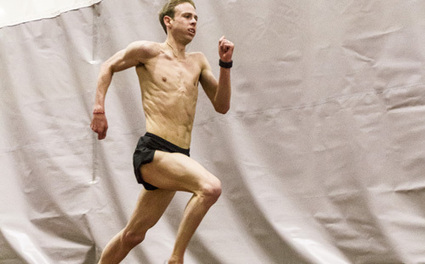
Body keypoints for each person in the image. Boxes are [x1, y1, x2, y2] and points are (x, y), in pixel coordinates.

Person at [90, 0, 234, 263]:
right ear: (169, 21)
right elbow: (107, 66)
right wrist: (99, 109)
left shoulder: (198, 61)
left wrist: (225, 65)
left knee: (133, 235)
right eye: (187, 16)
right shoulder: (148, 52)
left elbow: (222, 106)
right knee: (210, 188)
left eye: (196, 18)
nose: (194, 22)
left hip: (178, 155)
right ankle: (176, 259)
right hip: (153, 151)